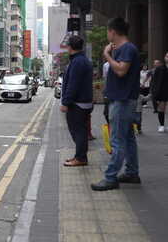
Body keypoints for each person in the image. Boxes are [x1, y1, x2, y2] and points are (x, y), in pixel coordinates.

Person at [91, 17, 141, 191]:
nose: (107, 34)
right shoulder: (124, 48)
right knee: (127, 138)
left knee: (117, 140)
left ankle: (111, 177)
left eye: (107, 31)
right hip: (122, 99)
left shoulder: (127, 48)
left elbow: (120, 70)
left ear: (113, 31)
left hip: (122, 100)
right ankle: (131, 172)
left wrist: (106, 55)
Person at [60, 36, 93, 167]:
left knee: (78, 131)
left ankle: (80, 158)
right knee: (81, 131)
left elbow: (73, 84)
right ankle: (79, 156)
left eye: (67, 46)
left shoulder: (77, 62)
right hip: (83, 101)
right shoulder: (83, 60)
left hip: (78, 103)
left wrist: (66, 102)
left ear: (70, 47)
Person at [150, 52, 168, 132]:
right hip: (163, 91)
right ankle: (161, 125)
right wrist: (155, 94)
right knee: (161, 109)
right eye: (167, 56)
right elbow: (154, 82)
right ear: (164, 58)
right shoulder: (159, 68)